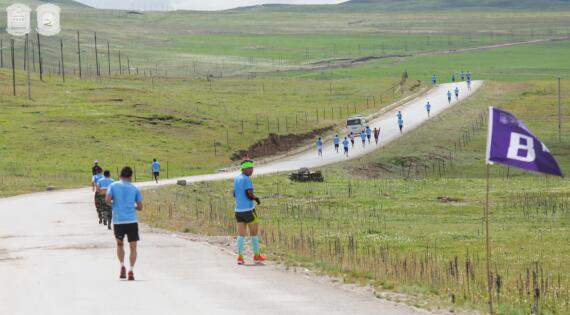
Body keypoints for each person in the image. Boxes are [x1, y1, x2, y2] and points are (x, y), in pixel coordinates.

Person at [106, 167, 143, 281]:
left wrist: (116, 206)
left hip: (118, 221)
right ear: (130, 176)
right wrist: (133, 207)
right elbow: (140, 207)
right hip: (131, 221)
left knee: (120, 245)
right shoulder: (135, 188)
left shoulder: (113, 186)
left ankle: (122, 265)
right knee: (133, 248)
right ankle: (131, 270)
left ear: (120, 175)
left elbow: (107, 200)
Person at [233, 160, 264, 265]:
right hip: (248, 210)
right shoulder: (246, 179)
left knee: (241, 234)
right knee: (254, 232)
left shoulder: (236, 178)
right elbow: (248, 193)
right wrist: (256, 198)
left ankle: (240, 257)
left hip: (238, 211)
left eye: (252, 168)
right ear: (244, 169)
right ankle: (256, 255)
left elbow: (234, 193)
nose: (251, 170)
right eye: (249, 168)